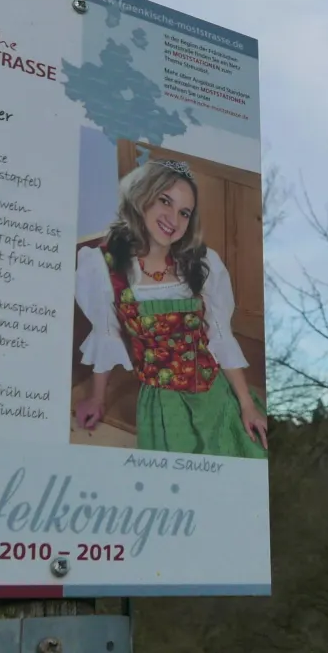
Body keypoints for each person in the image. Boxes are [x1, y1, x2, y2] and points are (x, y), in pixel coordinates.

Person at [73, 158, 267, 457]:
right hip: (163, 404)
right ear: (142, 198)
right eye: (165, 201)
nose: (173, 219)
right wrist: (97, 398)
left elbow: (220, 337)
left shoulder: (202, 263)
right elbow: (106, 336)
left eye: (184, 212)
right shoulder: (103, 268)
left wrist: (247, 404)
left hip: (213, 388)